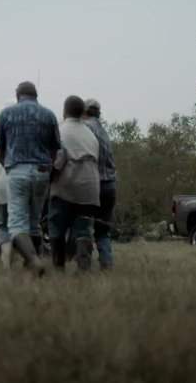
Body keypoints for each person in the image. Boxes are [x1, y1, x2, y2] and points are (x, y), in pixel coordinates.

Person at [0, 81, 60, 277]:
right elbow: (55, 149)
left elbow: (0, 149)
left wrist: (8, 167)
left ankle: (33, 261)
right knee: (34, 222)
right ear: (35, 95)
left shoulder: (7, 114)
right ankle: (31, 270)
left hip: (17, 170)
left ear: (18, 95)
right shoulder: (49, 115)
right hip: (42, 172)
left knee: (16, 224)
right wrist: (47, 168)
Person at [48, 95, 100, 272]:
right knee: (83, 229)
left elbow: (59, 160)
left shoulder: (61, 131)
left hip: (67, 186)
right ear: (82, 113)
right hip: (91, 188)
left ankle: (58, 266)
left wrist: (49, 179)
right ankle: (84, 267)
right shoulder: (90, 134)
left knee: (57, 226)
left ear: (64, 111)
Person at [83, 98, 117, 270]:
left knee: (85, 227)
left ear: (85, 111)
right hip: (110, 185)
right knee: (103, 230)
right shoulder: (104, 131)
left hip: (94, 185)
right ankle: (107, 264)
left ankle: (84, 266)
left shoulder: (85, 128)